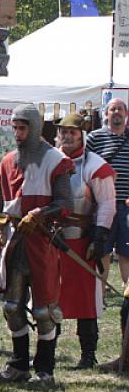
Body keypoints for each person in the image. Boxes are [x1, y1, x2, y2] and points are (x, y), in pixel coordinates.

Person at [0, 103, 74, 384]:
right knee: (12, 306)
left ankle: (45, 370)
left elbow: (65, 203)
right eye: (15, 128)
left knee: (44, 309)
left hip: (41, 242)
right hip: (12, 242)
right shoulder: (8, 161)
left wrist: (39, 213)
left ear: (34, 129)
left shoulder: (55, 160)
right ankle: (19, 365)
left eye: (22, 128)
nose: (18, 134)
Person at [55, 113, 116, 369]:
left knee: (86, 302)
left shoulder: (95, 165)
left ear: (82, 135)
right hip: (52, 239)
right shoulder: (50, 161)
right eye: (64, 132)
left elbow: (107, 203)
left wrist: (100, 235)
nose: (67, 137)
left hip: (81, 242)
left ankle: (88, 354)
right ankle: (47, 352)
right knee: (48, 297)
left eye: (73, 132)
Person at [86, 98, 129, 373]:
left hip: (126, 207)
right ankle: (97, 303)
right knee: (99, 260)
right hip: (102, 207)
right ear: (105, 114)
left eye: (121, 110)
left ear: (126, 115)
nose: (116, 113)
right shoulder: (94, 138)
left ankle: (127, 297)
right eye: (112, 109)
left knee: (126, 258)